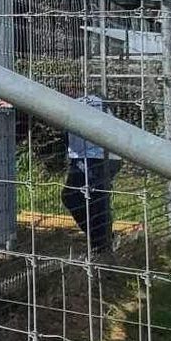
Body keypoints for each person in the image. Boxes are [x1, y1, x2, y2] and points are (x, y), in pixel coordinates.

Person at [59, 93, 122, 254]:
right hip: (96, 155)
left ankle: (101, 245)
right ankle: (102, 243)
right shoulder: (95, 99)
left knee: (78, 197)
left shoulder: (86, 101)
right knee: (94, 199)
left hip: (95, 156)